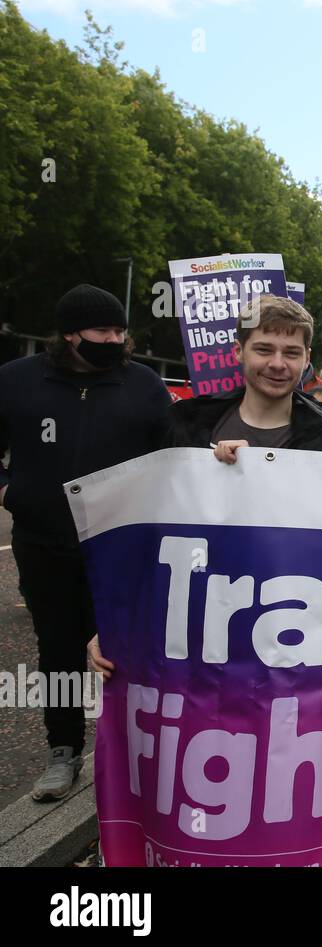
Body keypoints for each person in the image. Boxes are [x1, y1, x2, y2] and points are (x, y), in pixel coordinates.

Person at [0, 284, 171, 801]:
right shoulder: (15, 381)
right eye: (104, 332)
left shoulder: (143, 385)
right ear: (70, 333)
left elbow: (171, 457)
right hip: (43, 542)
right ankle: (63, 751)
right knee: (57, 649)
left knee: (128, 648)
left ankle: (132, 750)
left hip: (120, 551)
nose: (116, 341)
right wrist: (11, 491)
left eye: (121, 331)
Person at [162, 295, 322, 460]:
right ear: (239, 351)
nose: (278, 364)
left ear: (307, 359)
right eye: (264, 350)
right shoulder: (186, 423)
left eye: (292, 353)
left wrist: (257, 468)